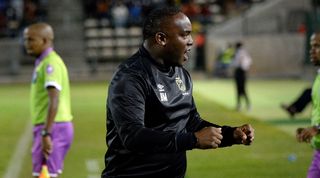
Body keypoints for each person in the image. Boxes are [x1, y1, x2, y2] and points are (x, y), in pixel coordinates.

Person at [101, 7, 255, 178]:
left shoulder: (181, 74)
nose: (191, 41)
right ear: (161, 38)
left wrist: (230, 134)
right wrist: (193, 140)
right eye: (184, 35)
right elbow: (133, 136)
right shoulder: (131, 77)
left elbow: (190, 122)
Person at [23, 22, 73, 178]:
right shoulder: (43, 62)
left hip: (53, 128)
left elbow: (54, 100)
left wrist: (46, 133)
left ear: (45, 41)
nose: (27, 44)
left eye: (31, 40)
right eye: (26, 39)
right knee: (42, 175)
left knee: (47, 176)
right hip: (50, 126)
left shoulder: (51, 64)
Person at [296, 32, 320, 178]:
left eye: (317, 46)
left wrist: (317, 128)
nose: (312, 50)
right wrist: (310, 130)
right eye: (311, 46)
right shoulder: (318, 77)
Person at [232, 41, 252, 111]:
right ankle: (241, 105)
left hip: (240, 72)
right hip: (240, 71)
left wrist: (243, 66)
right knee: (240, 89)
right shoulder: (242, 52)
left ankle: (245, 104)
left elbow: (236, 63)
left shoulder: (240, 52)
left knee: (241, 89)